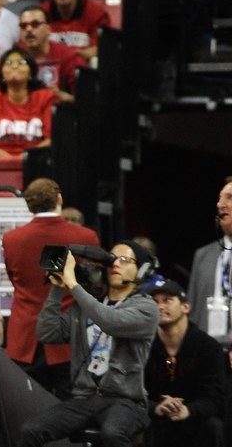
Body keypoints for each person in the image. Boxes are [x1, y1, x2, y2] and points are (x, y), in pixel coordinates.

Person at [17, 241, 161, 446]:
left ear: (142, 270)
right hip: (84, 398)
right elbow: (47, 333)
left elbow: (110, 322)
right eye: (112, 259)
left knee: (112, 433)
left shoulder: (146, 307)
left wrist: (73, 284)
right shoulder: (86, 306)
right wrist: (57, 288)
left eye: (125, 259)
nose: (116, 264)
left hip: (126, 400)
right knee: (30, 431)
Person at [3, 178, 101, 395]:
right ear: (59, 199)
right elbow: (93, 284)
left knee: (28, 409)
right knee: (71, 410)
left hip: (25, 337)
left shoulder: (11, 239)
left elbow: (14, 279)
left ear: (29, 205)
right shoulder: (86, 236)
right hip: (68, 338)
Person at [142, 279, 225, 447]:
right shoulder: (143, 346)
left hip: (195, 421)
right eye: (155, 302)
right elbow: (131, 392)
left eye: (167, 300)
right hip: (156, 421)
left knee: (214, 426)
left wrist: (188, 410)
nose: (160, 307)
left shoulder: (208, 347)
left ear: (185, 307)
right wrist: (156, 407)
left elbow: (215, 397)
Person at [0, 47, 57, 156]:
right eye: (8, 63)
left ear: (31, 73)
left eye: (21, 63)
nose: (14, 66)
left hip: (36, 161)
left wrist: (27, 157)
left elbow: (52, 140)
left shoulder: (46, 98)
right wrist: (7, 158)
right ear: (1, 74)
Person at [186, 178, 232, 334]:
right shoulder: (203, 255)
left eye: (229, 197)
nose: (220, 204)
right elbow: (193, 309)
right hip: (208, 350)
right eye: (220, 198)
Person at [40, 0, 112, 60]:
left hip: (83, 69)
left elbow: (99, 50)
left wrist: (66, 54)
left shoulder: (96, 14)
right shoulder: (42, 13)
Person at [18, 6, 87, 102]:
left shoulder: (69, 56)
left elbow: (87, 101)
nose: (28, 29)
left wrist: (61, 96)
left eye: (35, 24)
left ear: (48, 29)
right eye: (23, 26)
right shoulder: (13, 58)